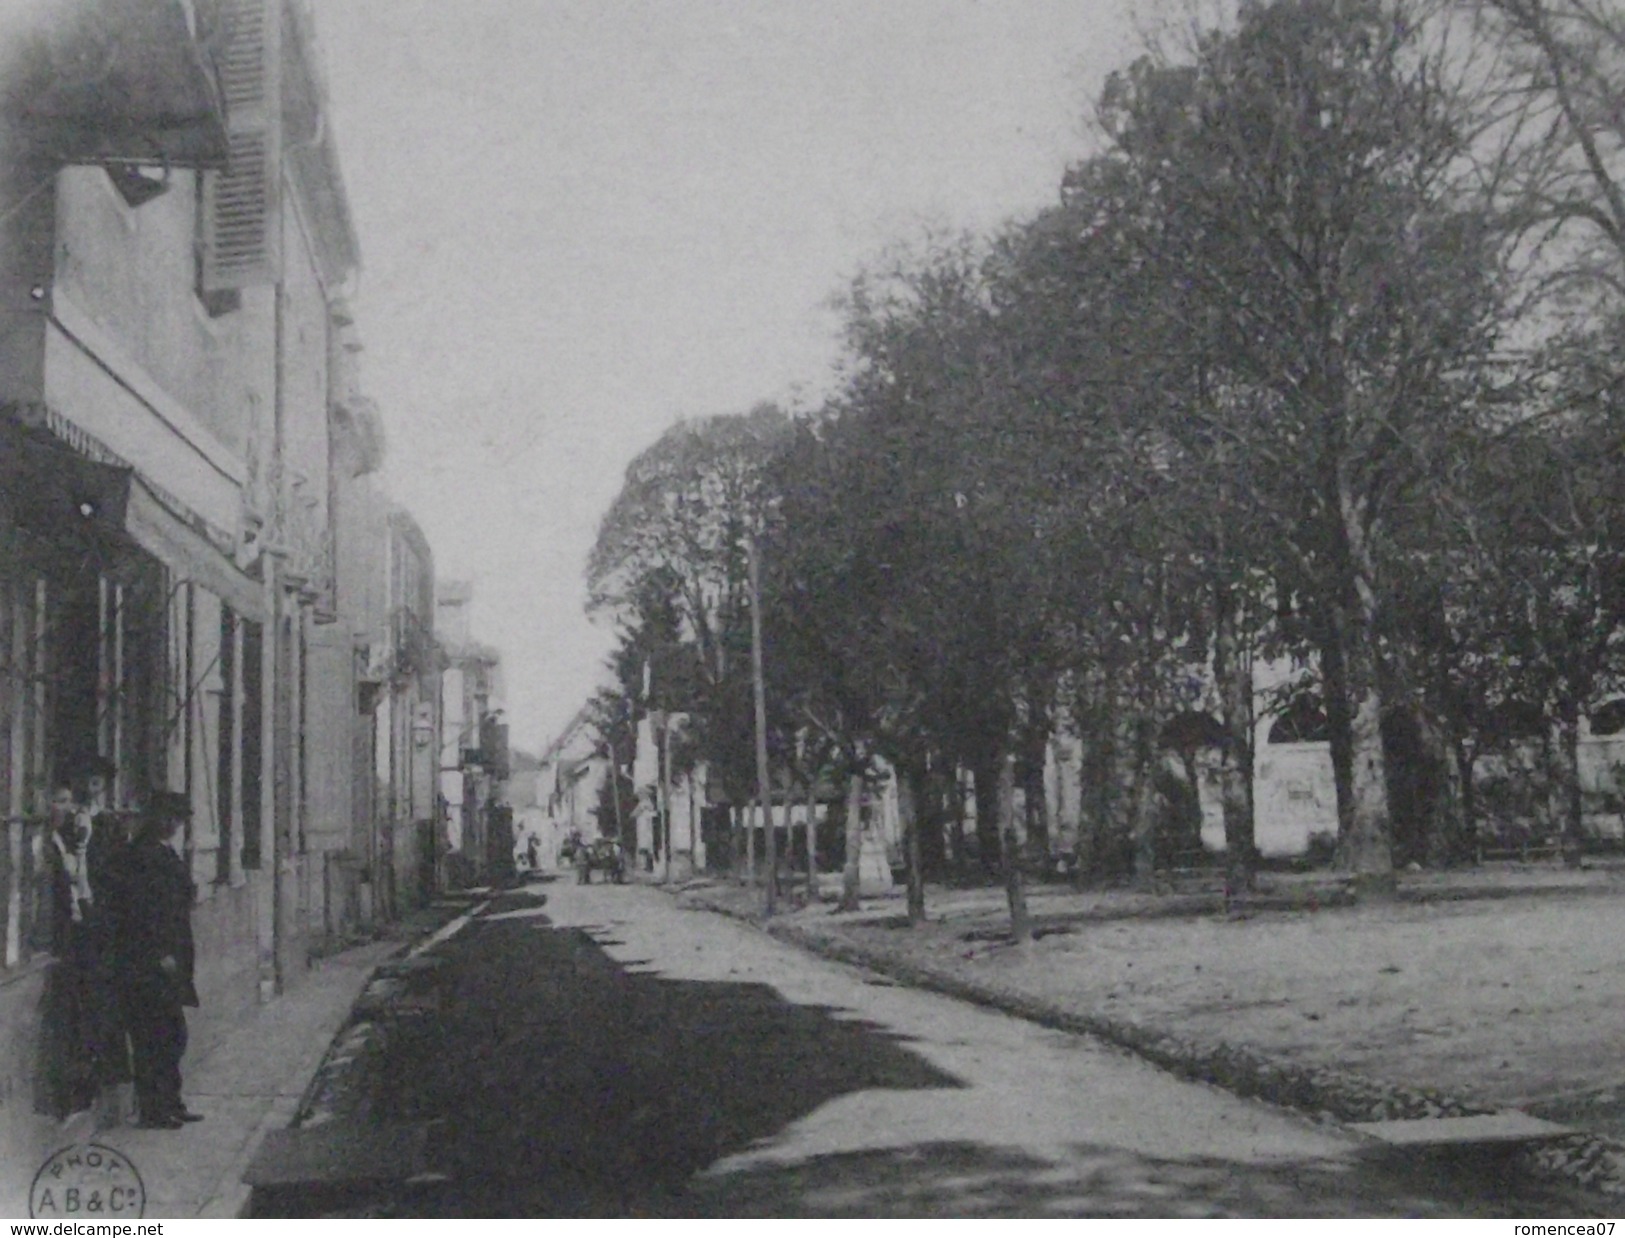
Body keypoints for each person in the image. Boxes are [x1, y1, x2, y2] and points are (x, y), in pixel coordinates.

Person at [115, 790, 201, 1129]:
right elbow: (143, 912)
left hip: (169, 958)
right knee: (154, 1036)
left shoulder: (164, 851)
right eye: (170, 818)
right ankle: (154, 1110)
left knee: (172, 1034)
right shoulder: (143, 854)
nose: (175, 825)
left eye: (178, 819)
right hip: (149, 962)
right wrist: (160, 953)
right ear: (157, 819)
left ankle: (170, 1101)